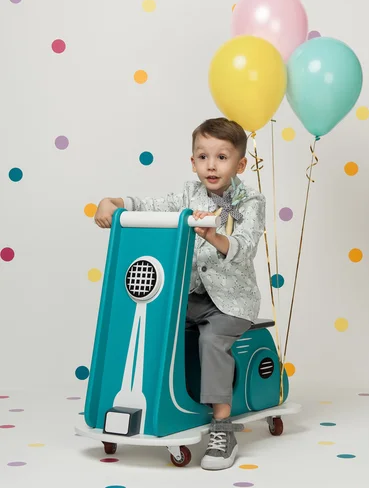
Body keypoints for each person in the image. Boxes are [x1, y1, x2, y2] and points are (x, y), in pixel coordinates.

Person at [94, 117, 266, 471]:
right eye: (203, 156)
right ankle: (156, 404)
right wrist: (111, 202)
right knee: (153, 323)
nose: (211, 165)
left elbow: (244, 246)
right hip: (190, 297)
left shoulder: (250, 201)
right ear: (193, 162)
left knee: (213, 340)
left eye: (221, 157)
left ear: (240, 164)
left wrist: (211, 234)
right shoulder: (188, 194)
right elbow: (150, 204)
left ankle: (222, 426)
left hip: (232, 302)